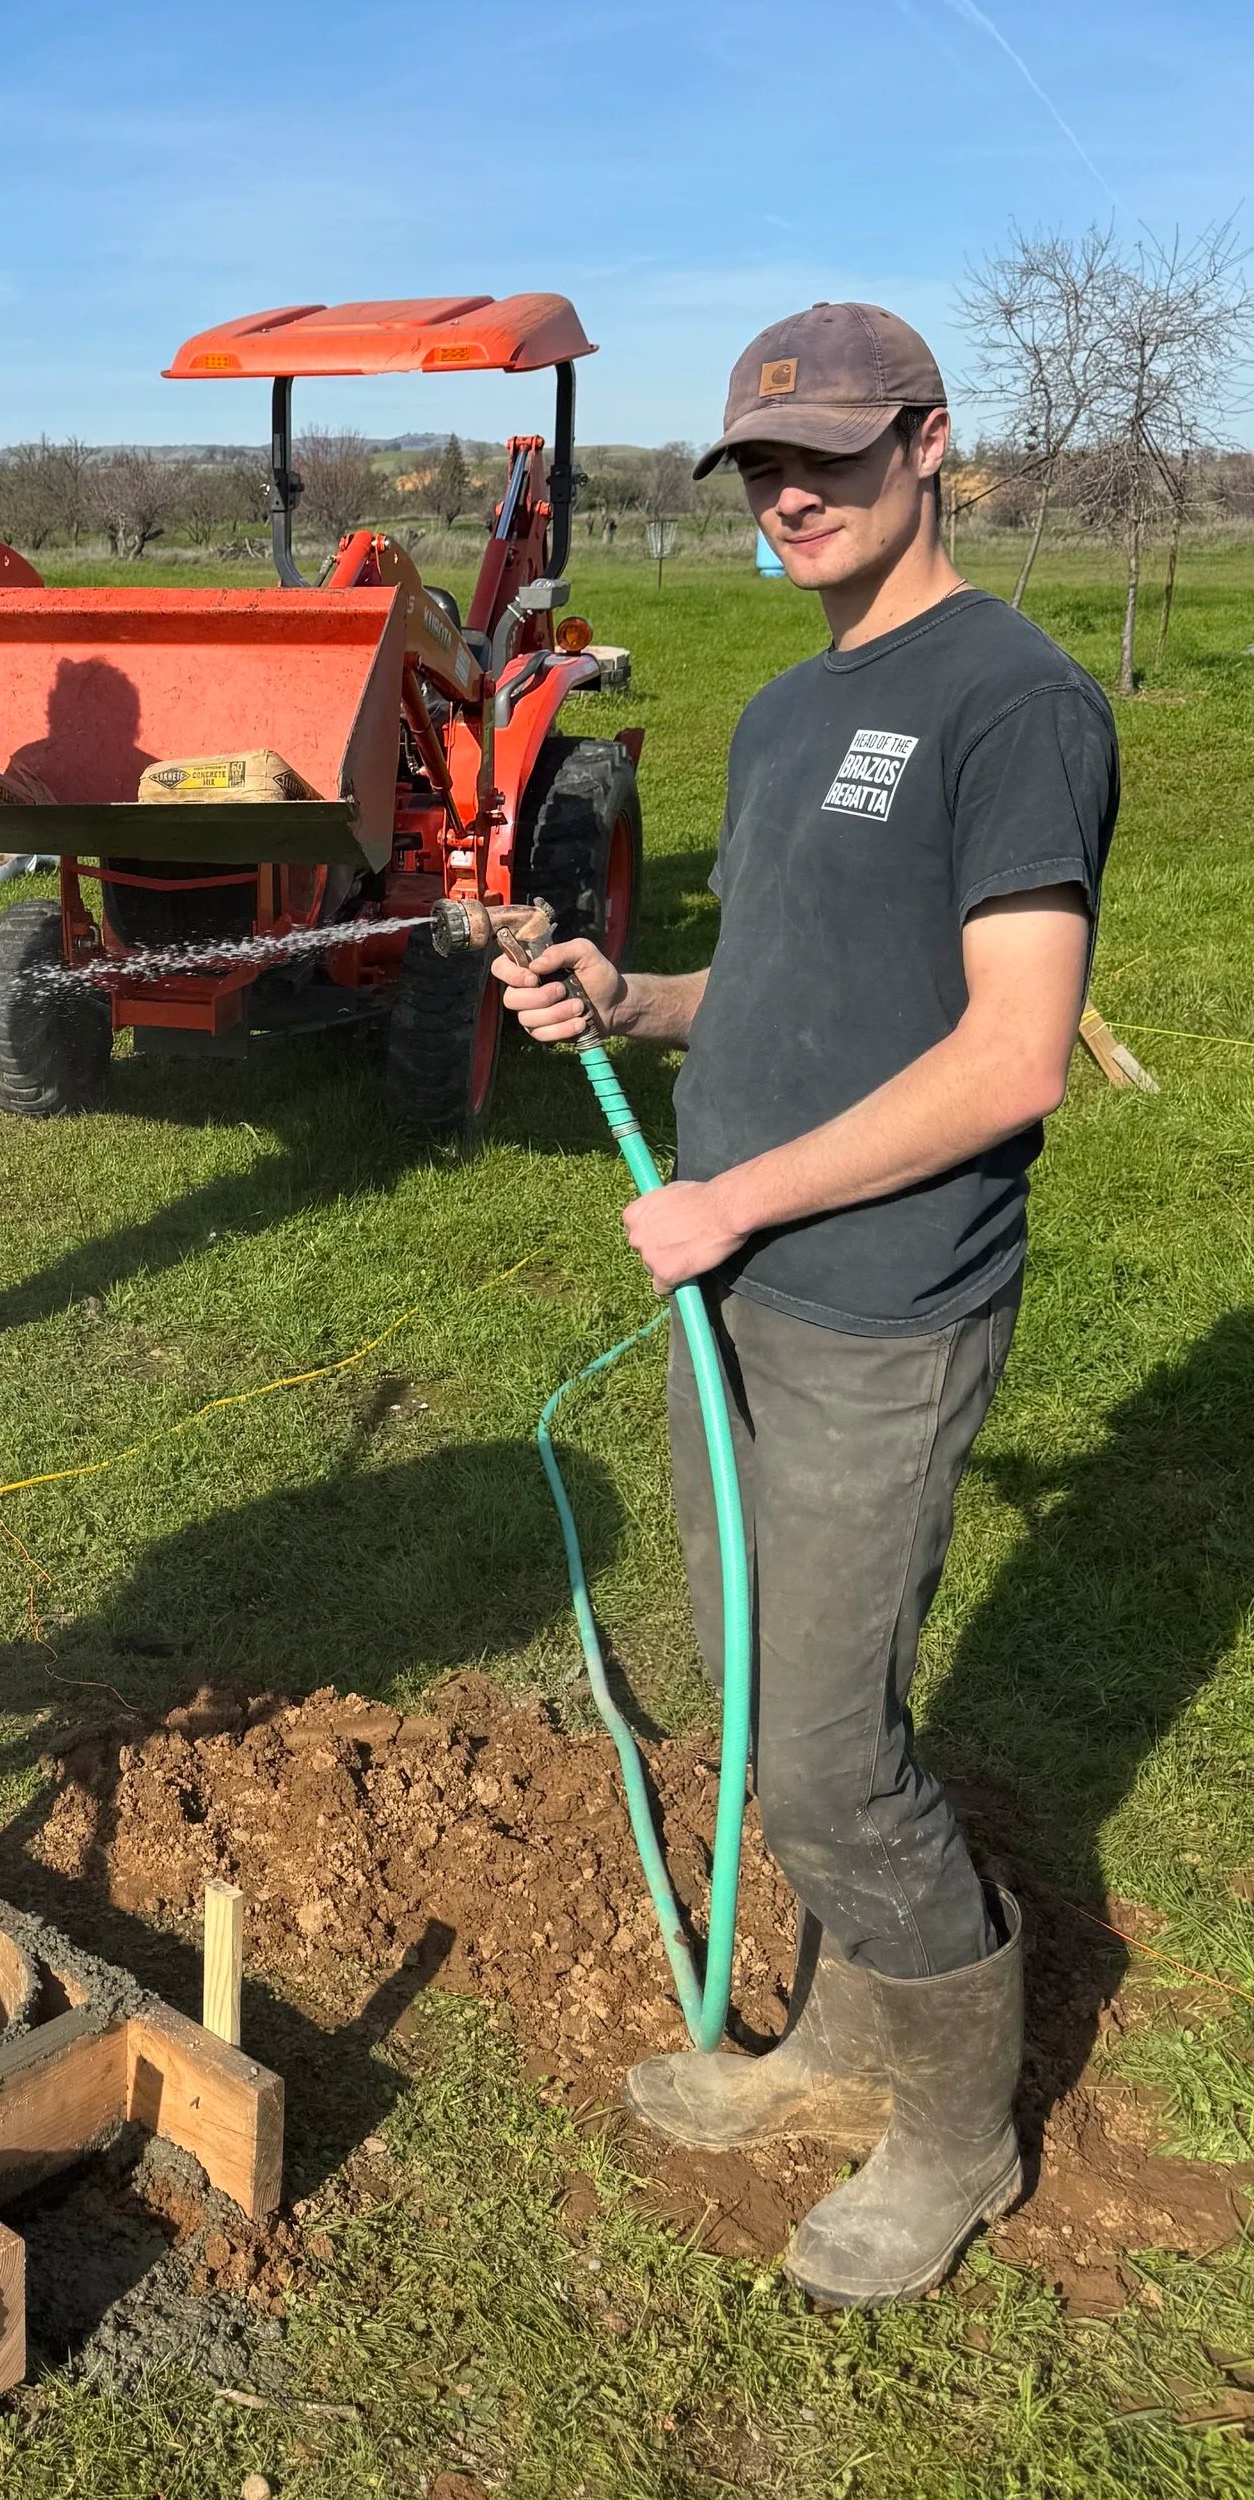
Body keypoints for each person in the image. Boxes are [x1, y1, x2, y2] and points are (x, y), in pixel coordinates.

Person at [492, 303, 1118, 2307]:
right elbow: (776, 988)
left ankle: (958, 2120)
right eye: (764, 462)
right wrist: (628, 999)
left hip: (870, 1300)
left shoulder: (1009, 703)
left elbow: (1010, 1053)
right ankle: (844, 2022)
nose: (791, 490)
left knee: (826, 1753)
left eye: (834, 454)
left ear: (926, 444)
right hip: (729, 1286)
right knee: (771, 1704)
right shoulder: (777, 712)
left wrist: (728, 1195)